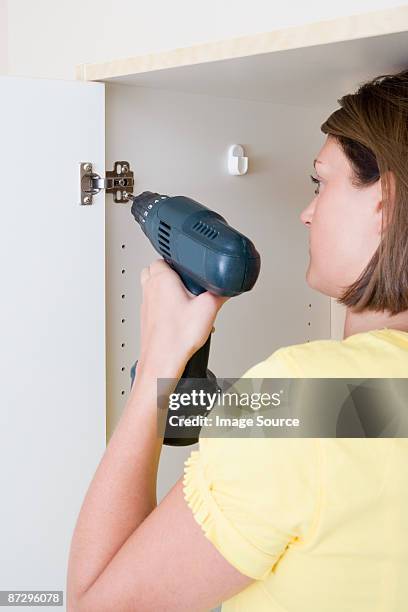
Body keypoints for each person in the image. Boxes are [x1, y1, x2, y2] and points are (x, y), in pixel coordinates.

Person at [67, 69, 408, 611]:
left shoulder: (306, 393)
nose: (307, 211)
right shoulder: (330, 402)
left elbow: (96, 607)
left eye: (321, 183)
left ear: (384, 203)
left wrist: (160, 360)